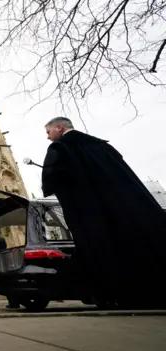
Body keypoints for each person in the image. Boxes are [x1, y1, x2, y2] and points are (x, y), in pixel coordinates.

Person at [41, 117, 166, 309]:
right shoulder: (102, 145)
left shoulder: (61, 148)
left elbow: (53, 179)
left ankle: (116, 295)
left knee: (102, 247)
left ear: (59, 128)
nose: (48, 138)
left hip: (92, 211)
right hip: (126, 206)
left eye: (48, 132)